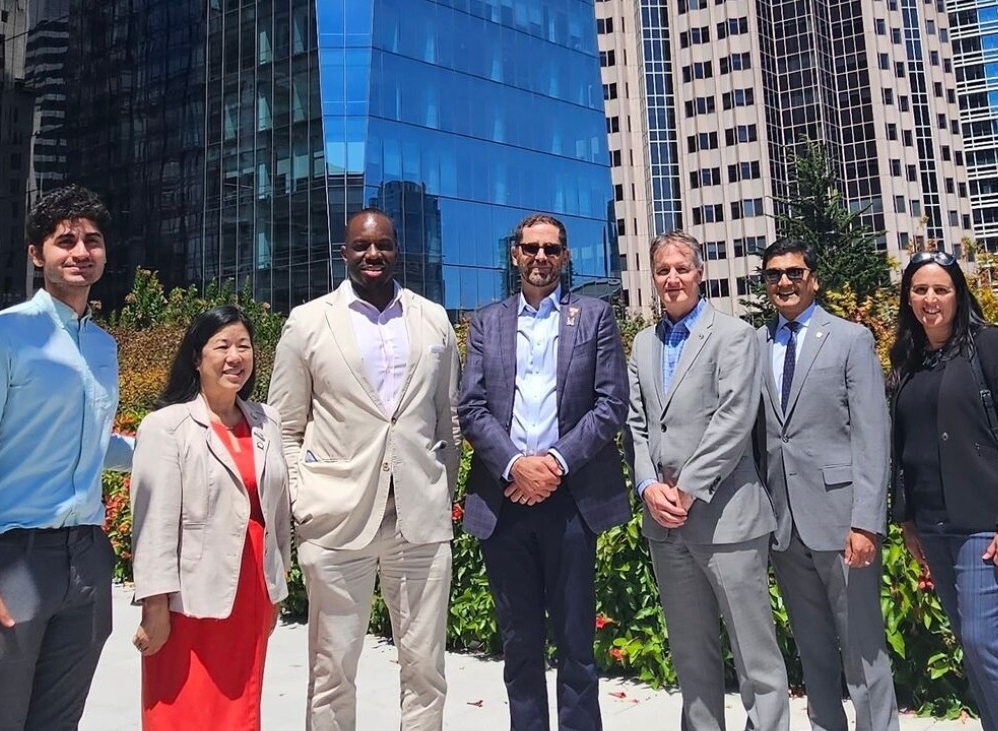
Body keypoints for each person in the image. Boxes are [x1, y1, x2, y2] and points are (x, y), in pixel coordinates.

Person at [0, 184, 135, 728]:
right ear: (37, 254)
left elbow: (94, 445)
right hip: (10, 562)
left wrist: (178, 443)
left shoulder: (102, 346)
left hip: (87, 561)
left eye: (92, 240)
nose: (80, 251)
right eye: (64, 240)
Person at [268, 207, 461, 731]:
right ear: (344, 252)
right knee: (332, 673)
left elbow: (449, 421)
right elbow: (284, 426)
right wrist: (305, 498)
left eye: (383, 245)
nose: (372, 255)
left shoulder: (433, 319)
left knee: (426, 672)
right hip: (337, 519)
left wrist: (442, 491)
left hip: (418, 521)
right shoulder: (307, 322)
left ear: (397, 250)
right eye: (361, 246)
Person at [458, 214, 629, 731]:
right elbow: (471, 408)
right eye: (530, 248)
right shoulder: (486, 322)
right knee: (520, 646)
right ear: (515, 255)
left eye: (551, 249)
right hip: (505, 501)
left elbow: (611, 404)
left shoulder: (595, 316)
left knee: (577, 644)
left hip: (572, 501)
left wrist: (553, 464)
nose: (540, 258)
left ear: (566, 256)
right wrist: (516, 465)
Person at [627, 230, 789, 731]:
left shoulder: (734, 335)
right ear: (653, 279)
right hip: (666, 524)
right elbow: (636, 424)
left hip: (727, 521)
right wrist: (649, 486)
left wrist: (687, 488)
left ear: (700, 273)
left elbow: (735, 419)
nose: (672, 278)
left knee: (755, 658)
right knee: (691, 657)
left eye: (681, 268)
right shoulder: (643, 344)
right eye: (662, 270)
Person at [888, 251, 998, 731]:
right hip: (934, 526)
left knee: (983, 640)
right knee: (971, 643)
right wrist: (908, 519)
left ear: (960, 294)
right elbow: (906, 446)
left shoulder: (994, 348)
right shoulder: (907, 361)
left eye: (941, 289)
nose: (930, 299)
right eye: (919, 290)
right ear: (907, 298)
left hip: (985, 522)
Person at [754, 238, 897, 731]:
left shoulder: (850, 338)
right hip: (784, 524)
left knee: (862, 649)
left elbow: (873, 435)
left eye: (794, 272)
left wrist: (866, 522)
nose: (784, 282)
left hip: (842, 523)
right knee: (812, 650)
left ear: (814, 278)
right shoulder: (757, 344)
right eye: (774, 275)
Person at [129, 305, 292, 729]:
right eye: (222, 346)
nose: (234, 356)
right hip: (189, 600)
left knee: (241, 704)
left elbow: (278, 512)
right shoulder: (166, 426)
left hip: (253, 587)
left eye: (244, 346)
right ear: (197, 357)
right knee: (183, 705)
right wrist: (155, 606)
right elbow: (154, 524)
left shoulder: (266, 421)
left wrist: (278, 586)